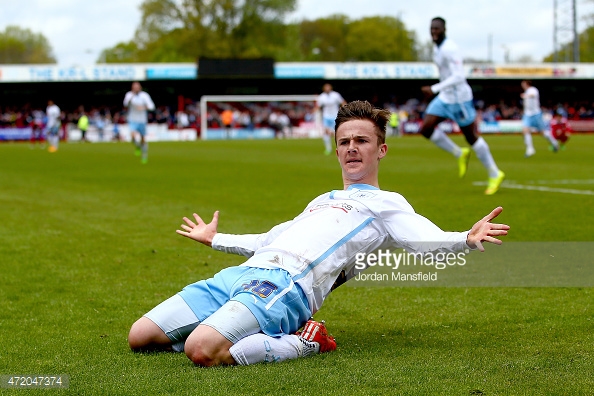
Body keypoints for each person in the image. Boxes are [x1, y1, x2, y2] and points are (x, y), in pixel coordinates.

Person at [127, 100, 510, 367]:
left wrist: (465, 238)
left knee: (201, 350)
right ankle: (240, 326)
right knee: (140, 337)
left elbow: (423, 240)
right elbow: (269, 239)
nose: (352, 149)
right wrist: (216, 239)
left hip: (286, 286)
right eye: (344, 142)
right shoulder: (322, 199)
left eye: (362, 141)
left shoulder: (386, 203)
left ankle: (307, 340)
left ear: (382, 150)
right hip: (244, 275)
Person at [420, 17, 505, 195]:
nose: (433, 32)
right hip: (445, 97)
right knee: (426, 128)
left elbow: (459, 76)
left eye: (437, 29)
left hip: (459, 99)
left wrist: (434, 88)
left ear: (444, 29)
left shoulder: (450, 49)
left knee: (471, 137)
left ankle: (495, 173)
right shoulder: (437, 48)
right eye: (431, 29)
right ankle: (460, 154)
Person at [520, 80, 560, 157]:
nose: (522, 86)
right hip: (527, 114)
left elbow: (533, 95)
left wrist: (526, 96)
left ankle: (554, 143)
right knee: (525, 130)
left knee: (543, 132)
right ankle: (530, 149)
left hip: (536, 114)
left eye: (523, 84)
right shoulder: (526, 92)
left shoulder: (533, 90)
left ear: (526, 84)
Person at [123, 82, 155, 164]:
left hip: (142, 120)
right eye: (134, 87)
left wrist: (144, 107)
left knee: (143, 139)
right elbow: (125, 104)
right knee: (132, 136)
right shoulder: (129, 95)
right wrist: (132, 97)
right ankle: (138, 146)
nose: (136, 88)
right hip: (132, 119)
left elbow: (152, 106)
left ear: (140, 87)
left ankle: (144, 155)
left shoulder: (145, 95)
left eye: (137, 87)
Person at [315, 83, 346, 155]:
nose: (327, 89)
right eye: (326, 87)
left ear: (331, 88)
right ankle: (328, 149)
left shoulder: (335, 95)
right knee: (326, 132)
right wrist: (314, 112)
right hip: (326, 117)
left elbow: (343, 102)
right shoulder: (322, 97)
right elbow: (318, 106)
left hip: (335, 116)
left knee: (337, 133)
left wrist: (344, 110)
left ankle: (340, 148)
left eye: (328, 87)